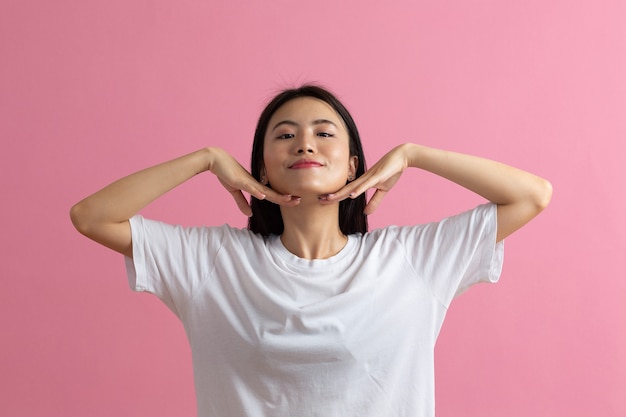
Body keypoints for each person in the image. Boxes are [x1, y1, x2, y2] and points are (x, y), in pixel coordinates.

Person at [70, 85, 552, 417]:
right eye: (284, 134)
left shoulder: (411, 260)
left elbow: (532, 195)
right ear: (260, 168)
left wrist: (413, 154)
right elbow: (91, 216)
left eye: (324, 133)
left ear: (354, 165)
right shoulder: (212, 262)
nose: (305, 142)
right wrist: (206, 159)